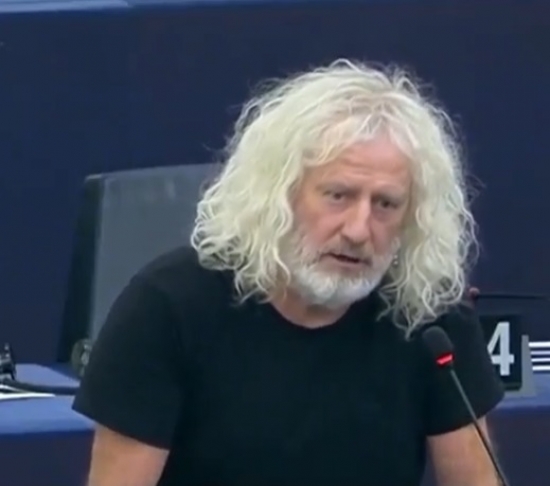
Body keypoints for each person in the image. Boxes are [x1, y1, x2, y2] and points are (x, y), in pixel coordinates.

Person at [73, 59, 504, 486]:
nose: (358, 230)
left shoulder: (428, 313)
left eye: (385, 204)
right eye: (338, 195)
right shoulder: (168, 308)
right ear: (278, 195)